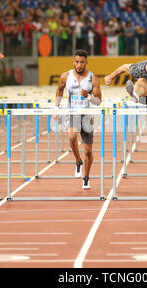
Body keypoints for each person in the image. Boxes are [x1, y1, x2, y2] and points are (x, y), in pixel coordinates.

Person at [55, 49, 102, 190]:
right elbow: (59, 89)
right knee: (71, 137)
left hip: (87, 116)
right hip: (73, 113)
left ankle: (86, 178)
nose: (79, 65)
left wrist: (88, 96)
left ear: (86, 62)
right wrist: (56, 108)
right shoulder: (65, 76)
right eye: (77, 62)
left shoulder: (93, 78)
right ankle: (77, 161)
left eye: (82, 62)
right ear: (73, 62)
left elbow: (99, 101)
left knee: (88, 151)